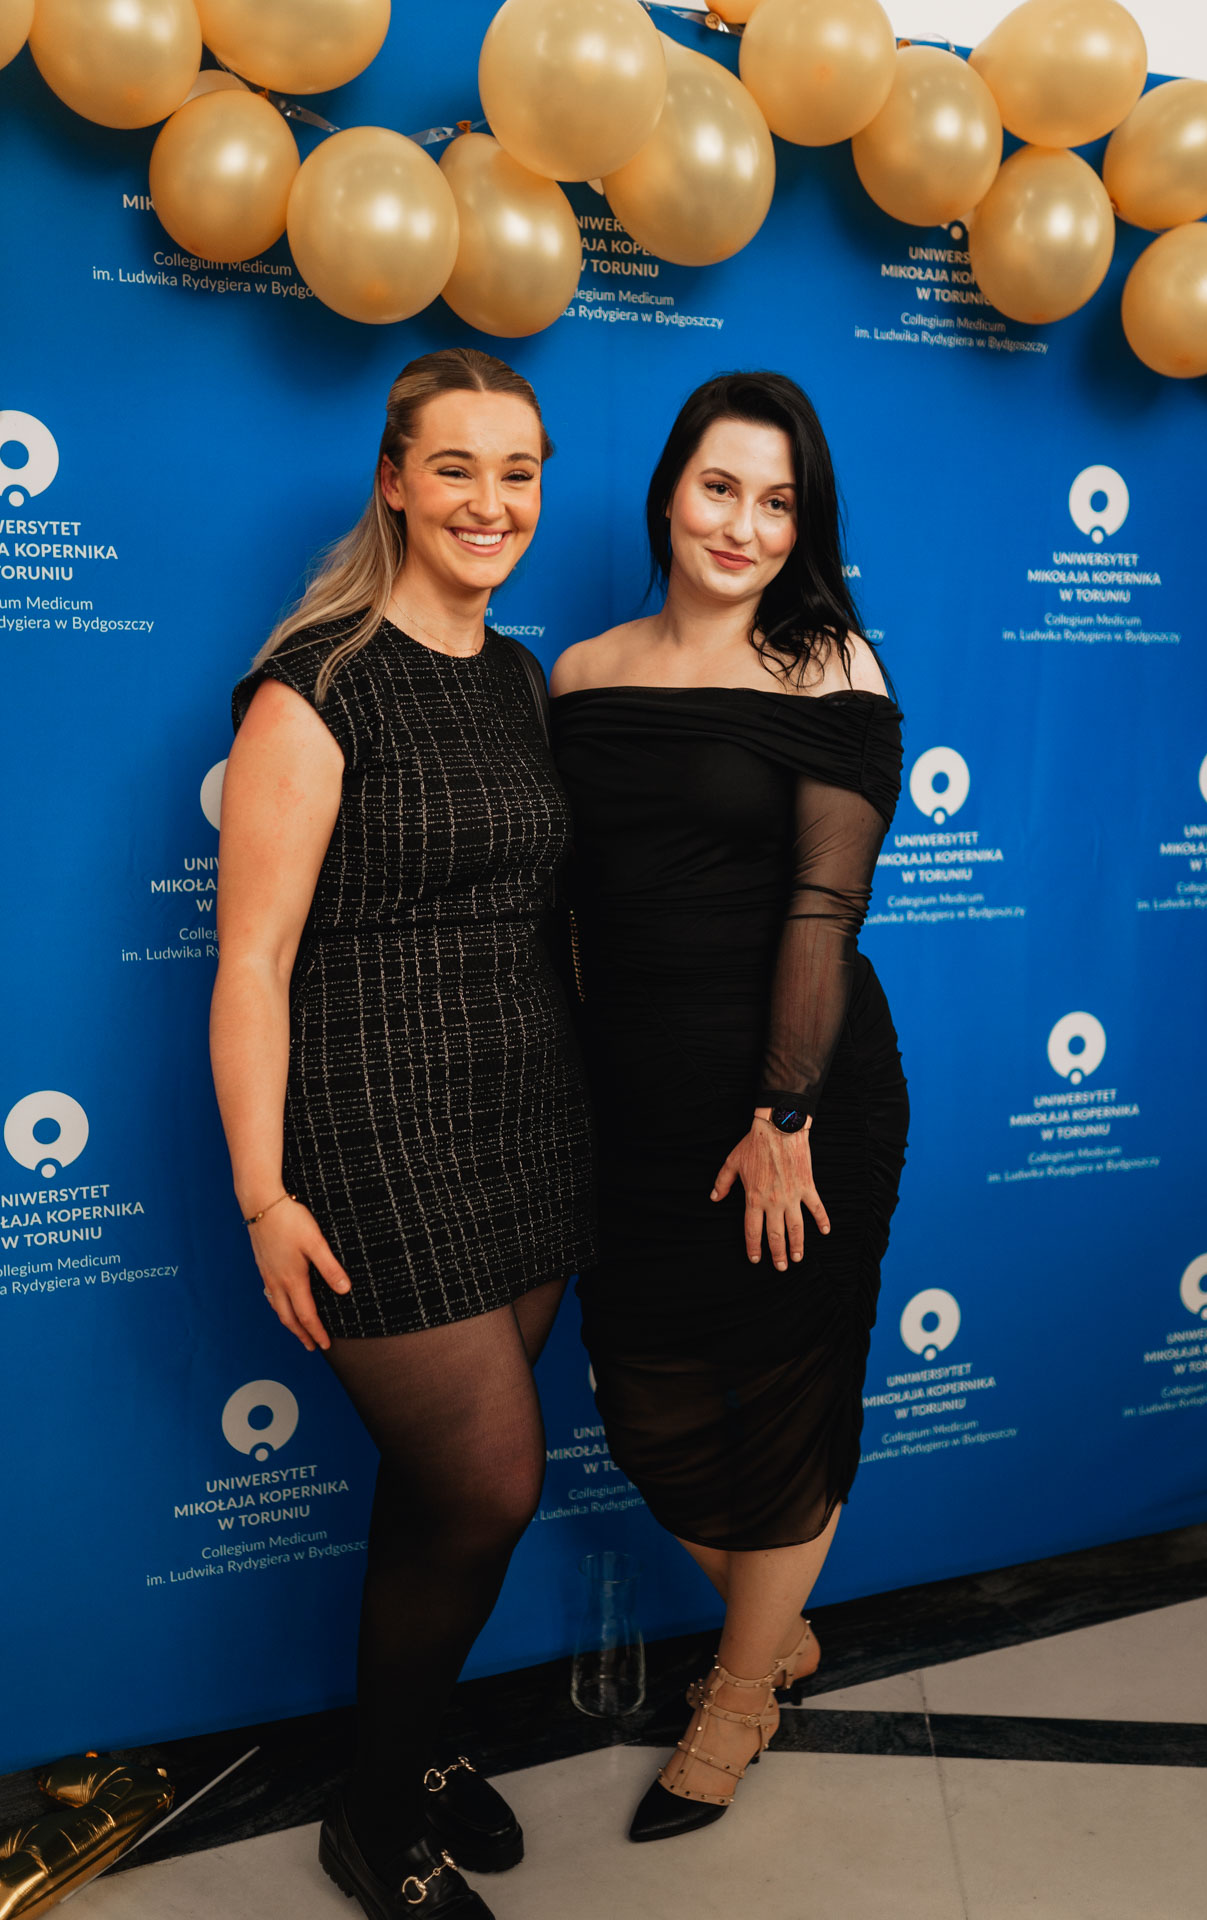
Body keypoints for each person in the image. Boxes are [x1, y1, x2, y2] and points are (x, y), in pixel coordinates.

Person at [210, 347, 594, 1919]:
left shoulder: (517, 678)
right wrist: (263, 1195)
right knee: (490, 1483)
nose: (489, 502)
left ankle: (412, 1746)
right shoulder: (315, 685)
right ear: (393, 482)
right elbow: (252, 963)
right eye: (455, 467)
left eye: (517, 472)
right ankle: (374, 1823)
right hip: (374, 1133)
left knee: (442, 1495)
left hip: (528, 1120)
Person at [550, 370, 908, 1843]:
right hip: (633, 1103)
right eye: (719, 488)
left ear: (802, 525)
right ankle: (778, 1629)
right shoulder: (580, 674)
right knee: (644, 1403)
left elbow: (825, 906)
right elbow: (575, 908)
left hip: (796, 1106)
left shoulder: (832, 669)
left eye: (777, 502)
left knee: (786, 1393)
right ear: (669, 492)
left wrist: (785, 1116)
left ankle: (739, 1692)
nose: (742, 525)